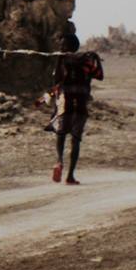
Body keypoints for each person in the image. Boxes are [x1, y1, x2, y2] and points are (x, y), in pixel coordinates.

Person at [39, 33, 104, 185]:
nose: (60, 47)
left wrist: (59, 58)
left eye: (62, 44)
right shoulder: (86, 61)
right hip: (80, 105)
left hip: (64, 105)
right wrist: (96, 58)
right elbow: (100, 75)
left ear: (65, 47)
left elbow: (56, 80)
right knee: (75, 140)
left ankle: (59, 161)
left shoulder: (63, 61)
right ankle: (70, 177)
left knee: (60, 135)